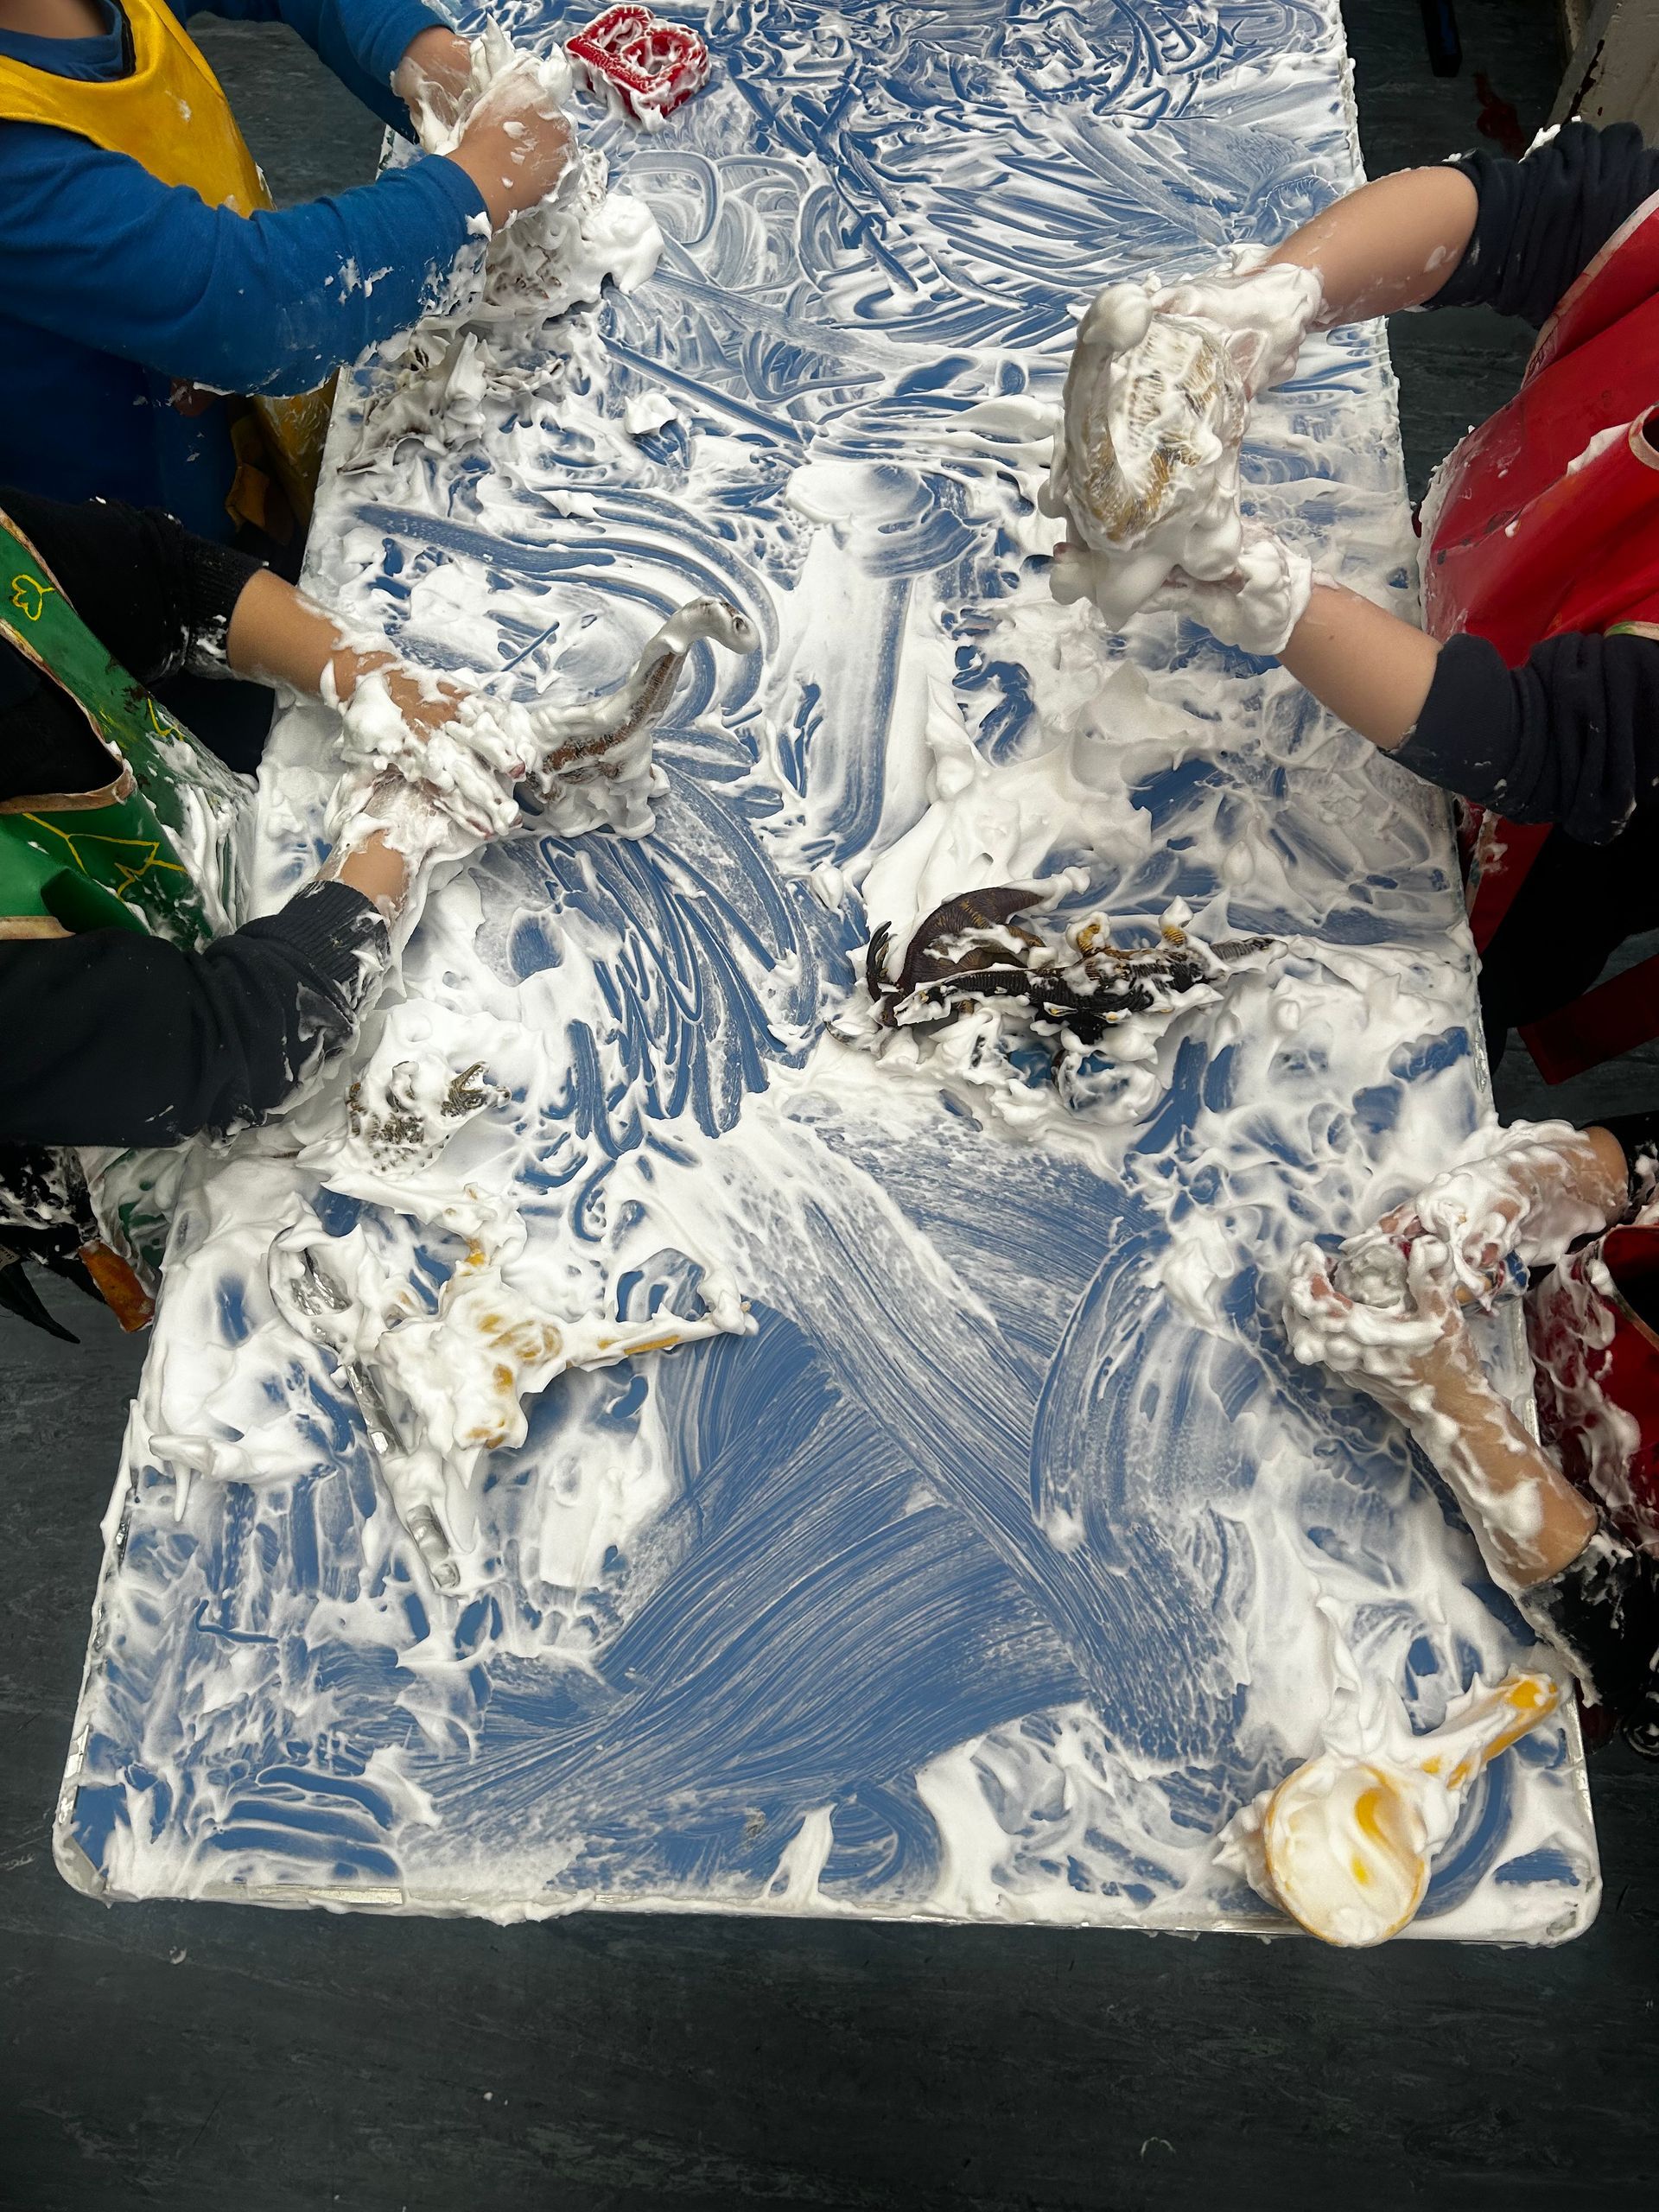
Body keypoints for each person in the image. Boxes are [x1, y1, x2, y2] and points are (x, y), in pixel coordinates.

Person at [1143, 121, 1659, 1087]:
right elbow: (1527, 214)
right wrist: (1267, 305)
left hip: (1541, 841)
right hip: (1479, 587)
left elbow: (1537, 741)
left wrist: (1247, 578)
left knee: (1443, 989)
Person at [0, 481, 528, 1338]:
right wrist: (399, 821)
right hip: (115, 1124)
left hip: (210, 888)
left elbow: (165, 578)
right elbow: (222, 1044)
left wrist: (380, 685)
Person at [0, 0, 571, 757]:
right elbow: (254, 306)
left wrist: (420, 53)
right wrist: (473, 188)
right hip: (115, 600)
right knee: (258, 759)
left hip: (244, 464)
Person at [1285, 1117, 1659, 1755]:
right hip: (1506, 1333)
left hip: (1511, 1607)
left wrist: (1452, 1404)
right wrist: (1526, 1186)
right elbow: (1642, 1163)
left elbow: (1640, 1660)